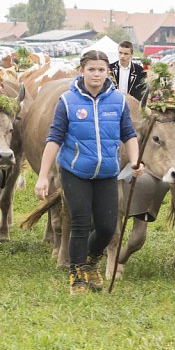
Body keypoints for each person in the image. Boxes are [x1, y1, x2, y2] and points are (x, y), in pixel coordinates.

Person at [34, 50, 141, 295]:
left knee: (106, 228)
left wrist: (135, 161)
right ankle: (77, 277)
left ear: (107, 72)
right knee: (81, 223)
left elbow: (129, 135)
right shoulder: (68, 101)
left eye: (101, 69)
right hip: (75, 171)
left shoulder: (118, 101)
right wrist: (42, 176)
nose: (96, 74)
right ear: (82, 71)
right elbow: (54, 139)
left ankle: (91, 261)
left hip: (107, 172)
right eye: (91, 69)